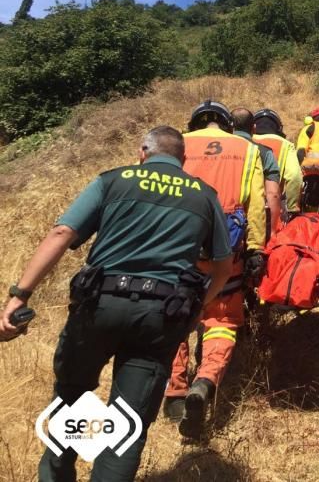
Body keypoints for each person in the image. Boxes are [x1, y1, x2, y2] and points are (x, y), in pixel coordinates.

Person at [0, 126, 232, 481]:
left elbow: (62, 233)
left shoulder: (114, 181)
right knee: (127, 421)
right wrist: (198, 306)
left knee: (73, 397)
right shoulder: (204, 196)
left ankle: (58, 474)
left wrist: (21, 294)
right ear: (182, 160)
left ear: (143, 152)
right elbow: (222, 265)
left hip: (99, 307)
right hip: (161, 318)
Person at [164, 101, 265, 438]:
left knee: (174, 314)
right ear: (226, 124)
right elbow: (256, 203)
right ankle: (205, 381)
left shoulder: (175, 144)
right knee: (221, 321)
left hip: (176, 247)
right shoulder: (246, 148)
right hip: (225, 248)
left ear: (193, 122)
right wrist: (256, 249)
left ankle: (175, 389)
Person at [231, 107, 282, 237]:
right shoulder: (265, 152)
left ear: (231, 127)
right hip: (252, 223)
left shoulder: (220, 149)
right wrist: (273, 230)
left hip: (222, 217)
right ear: (254, 128)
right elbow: (273, 193)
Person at [253, 108, 302, 222]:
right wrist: (292, 209)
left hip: (243, 208)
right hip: (270, 207)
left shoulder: (244, 140)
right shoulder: (286, 145)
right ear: (278, 127)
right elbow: (295, 177)